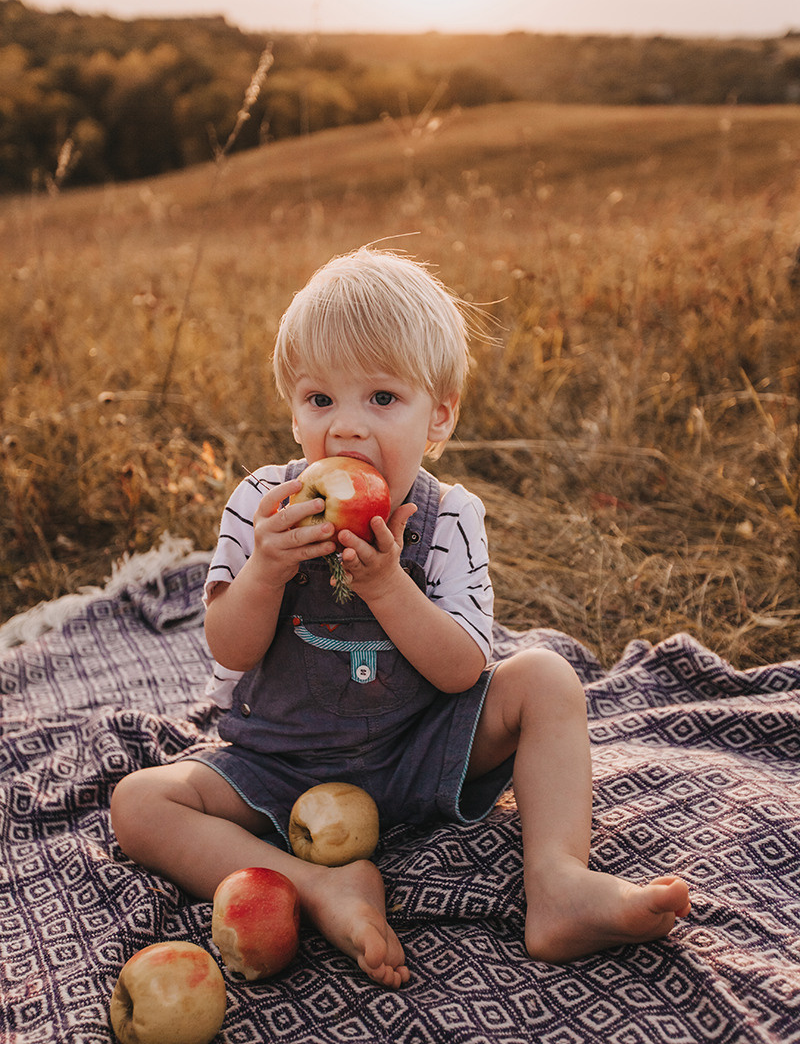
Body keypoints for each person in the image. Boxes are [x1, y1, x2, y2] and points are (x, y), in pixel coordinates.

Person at [111, 246, 690, 989]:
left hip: (419, 751)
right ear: (294, 413)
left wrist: (389, 588)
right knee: (140, 803)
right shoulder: (263, 506)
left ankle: (558, 883)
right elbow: (229, 647)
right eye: (321, 400)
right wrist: (265, 571)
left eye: (381, 398)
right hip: (281, 768)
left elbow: (462, 668)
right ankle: (315, 885)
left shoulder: (450, 519)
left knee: (544, 677)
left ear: (439, 414)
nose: (346, 429)